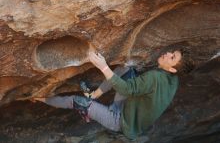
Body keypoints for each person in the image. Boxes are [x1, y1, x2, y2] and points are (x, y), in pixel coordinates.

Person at [33, 48, 183, 140]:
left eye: (172, 57)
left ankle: (42, 99)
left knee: (77, 101)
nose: (168, 53)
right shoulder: (174, 80)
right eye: (172, 52)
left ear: (173, 69)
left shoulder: (155, 77)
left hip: (119, 121)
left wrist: (103, 67)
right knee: (126, 68)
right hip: (129, 107)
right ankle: (94, 95)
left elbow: (125, 89)